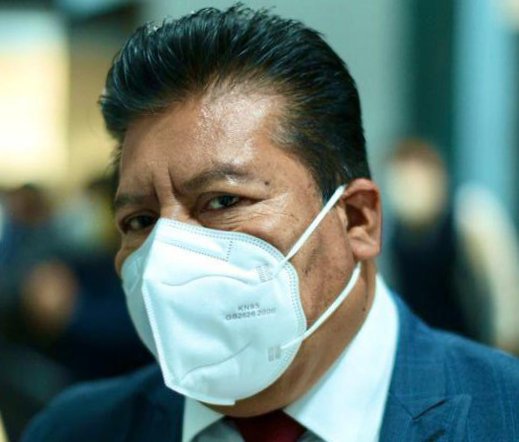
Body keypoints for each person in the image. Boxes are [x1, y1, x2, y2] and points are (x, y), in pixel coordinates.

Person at [22, 5, 519, 441]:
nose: (166, 254)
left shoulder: (504, 415)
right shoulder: (71, 431)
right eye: (140, 220)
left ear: (357, 220)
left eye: (222, 200)